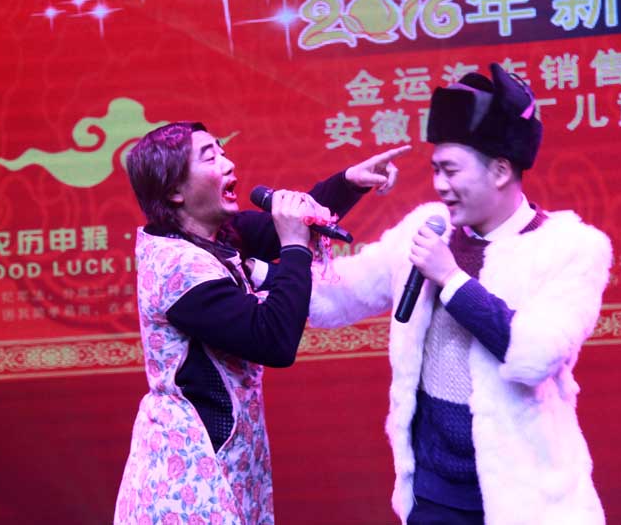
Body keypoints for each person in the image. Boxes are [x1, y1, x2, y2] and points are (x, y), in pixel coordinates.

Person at [308, 64, 611, 525]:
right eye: (435, 170)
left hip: (529, 497)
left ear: (501, 170)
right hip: (435, 494)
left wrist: (451, 280)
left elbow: (536, 354)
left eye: (450, 170)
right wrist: (265, 265)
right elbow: (337, 296)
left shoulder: (572, 247)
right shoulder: (427, 228)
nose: (439, 185)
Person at [113, 120, 409, 525]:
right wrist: (294, 246)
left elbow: (278, 228)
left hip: (224, 460)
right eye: (210, 158)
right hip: (185, 475)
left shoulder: (215, 234)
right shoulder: (177, 267)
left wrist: (349, 182)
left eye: (223, 151)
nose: (228, 163)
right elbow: (273, 339)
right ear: (175, 191)